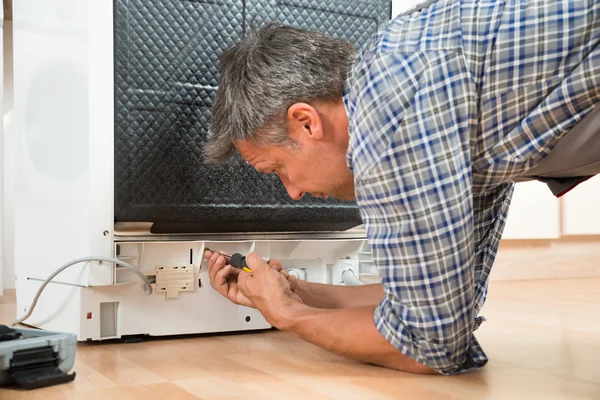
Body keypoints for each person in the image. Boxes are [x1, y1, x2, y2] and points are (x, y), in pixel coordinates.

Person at [202, 0, 600, 376]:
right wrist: (297, 293)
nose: (292, 192)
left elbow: (432, 345)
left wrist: (288, 315)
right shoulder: (403, 79)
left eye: (279, 169)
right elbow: (446, 303)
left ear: (306, 122)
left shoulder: (387, 120)